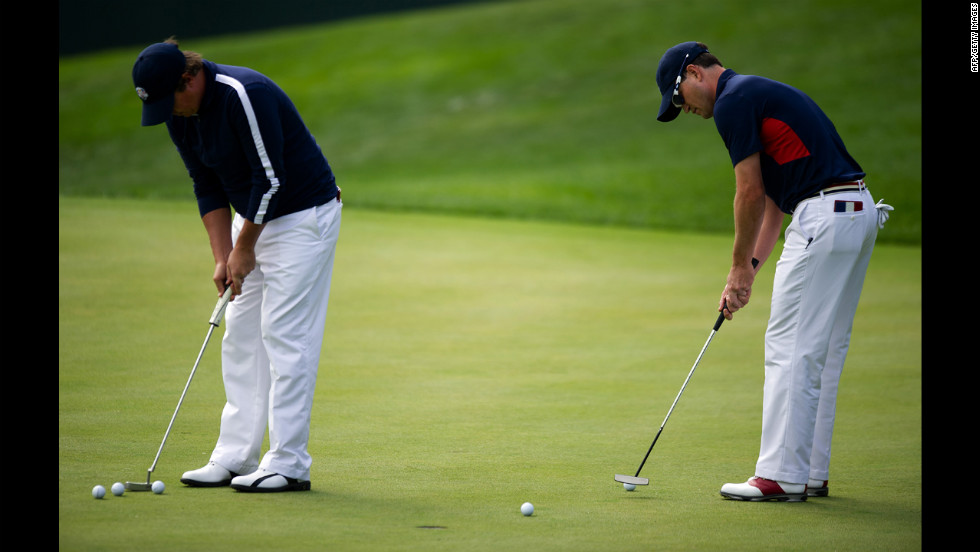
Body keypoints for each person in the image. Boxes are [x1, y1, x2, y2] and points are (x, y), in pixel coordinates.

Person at [654, 42, 892, 501]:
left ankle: (780, 475)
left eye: (678, 95)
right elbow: (772, 203)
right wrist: (749, 272)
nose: (682, 107)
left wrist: (737, 266)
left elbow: (747, 191)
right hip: (855, 212)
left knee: (789, 344)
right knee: (823, 348)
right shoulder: (754, 94)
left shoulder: (732, 102)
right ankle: (809, 471)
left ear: (694, 75)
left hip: (823, 217)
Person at [131, 38, 343, 492]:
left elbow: (271, 179)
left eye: (172, 99)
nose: (171, 111)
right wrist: (222, 255)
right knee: (241, 335)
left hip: (303, 216)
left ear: (190, 77)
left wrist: (243, 248)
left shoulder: (243, 93)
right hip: (254, 217)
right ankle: (235, 455)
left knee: (284, 335)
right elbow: (204, 183)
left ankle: (288, 463)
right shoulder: (180, 112)